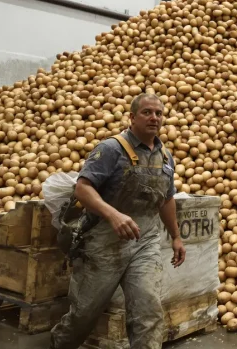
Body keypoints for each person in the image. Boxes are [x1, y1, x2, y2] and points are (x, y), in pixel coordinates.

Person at [50, 93, 185, 349]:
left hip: (145, 243)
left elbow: (167, 199)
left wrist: (176, 236)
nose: (154, 117)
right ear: (132, 117)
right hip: (104, 244)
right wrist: (113, 214)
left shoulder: (165, 157)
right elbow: (82, 188)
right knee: (84, 314)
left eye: (158, 113)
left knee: (148, 311)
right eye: (147, 112)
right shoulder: (111, 149)